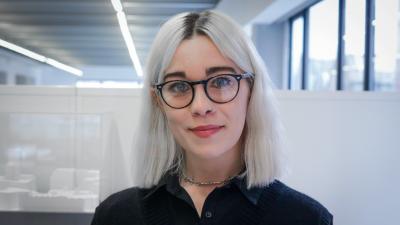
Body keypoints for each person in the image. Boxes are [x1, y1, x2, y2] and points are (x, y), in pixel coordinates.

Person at [91, 10, 333, 225]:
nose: (200, 106)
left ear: (252, 90)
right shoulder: (115, 216)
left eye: (221, 81)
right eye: (179, 86)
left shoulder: (306, 218)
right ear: (158, 101)